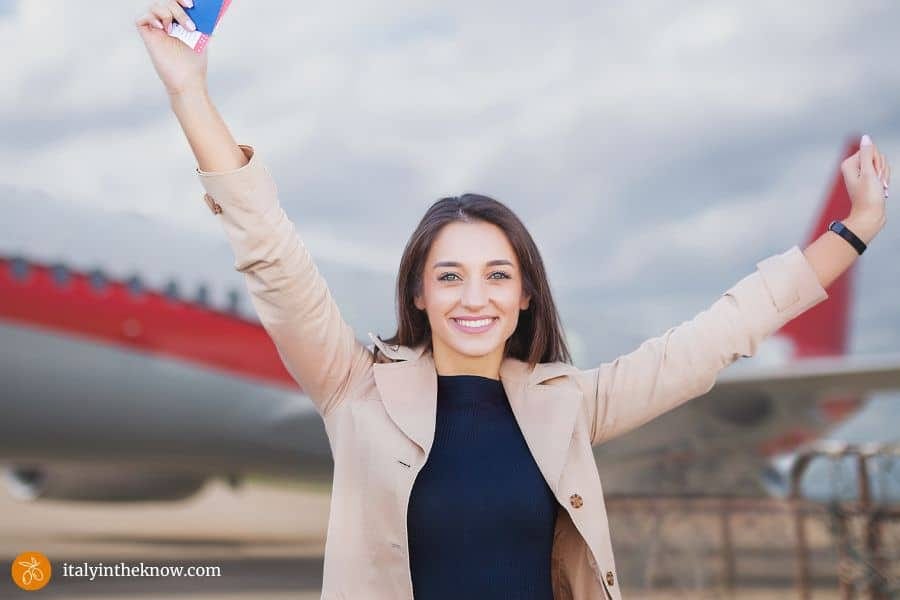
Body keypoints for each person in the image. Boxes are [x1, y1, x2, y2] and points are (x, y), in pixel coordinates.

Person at [136, 4, 890, 599]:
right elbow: (270, 251)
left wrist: (850, 234)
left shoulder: (568, 404)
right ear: (420, 294)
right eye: (450, 275)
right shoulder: (352, 387)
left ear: (526, 296)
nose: (475, 297)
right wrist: (189, 94)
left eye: (498, 275)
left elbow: (714, 338)